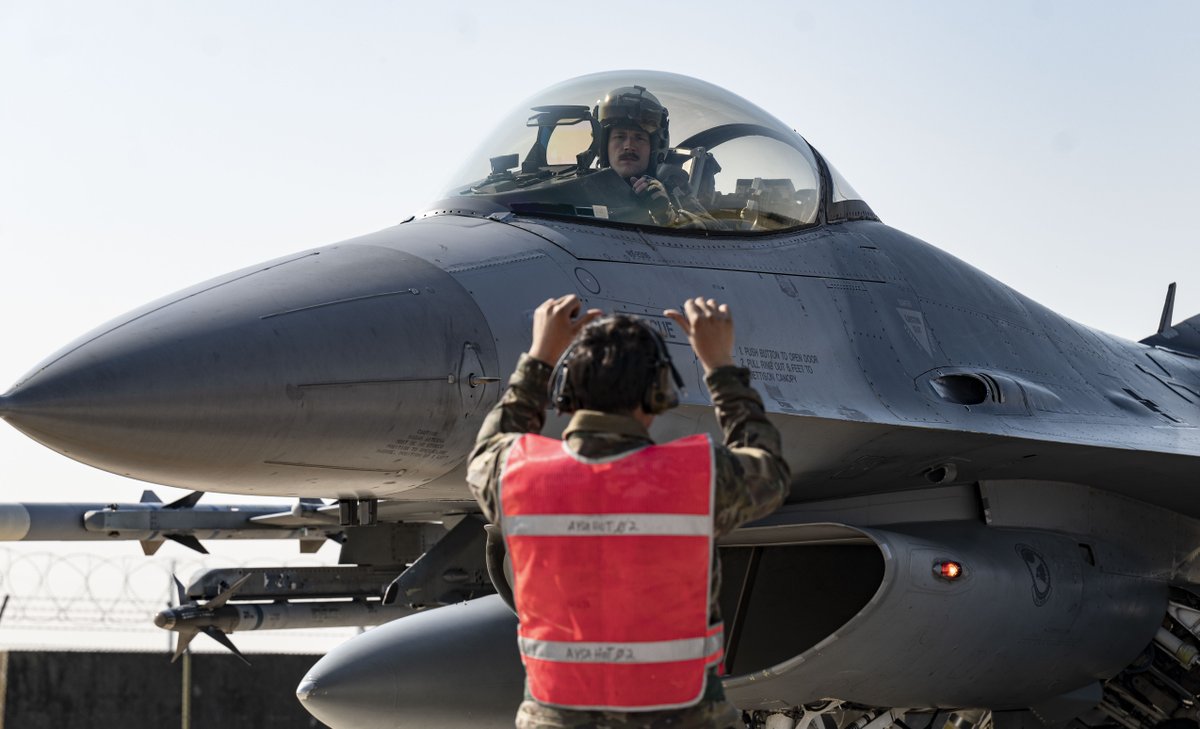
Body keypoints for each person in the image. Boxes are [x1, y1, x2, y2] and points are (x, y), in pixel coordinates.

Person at [467, 293, 791, 729]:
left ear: (565, 392)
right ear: (657, 393)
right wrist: (719, 366)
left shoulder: (515, 475)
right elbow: (769, 471)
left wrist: (540, 357)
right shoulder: (697, 475)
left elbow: (488, 448)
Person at [595, 86, 721, 230]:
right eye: (620, 137)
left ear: (655, 147)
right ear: (604, 144)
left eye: (639, 138)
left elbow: (714, 230)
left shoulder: (672, 187)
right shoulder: (583, 188)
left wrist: (667, 215)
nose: (629, 146)